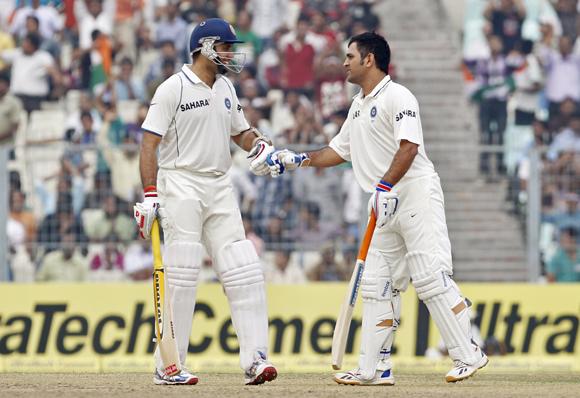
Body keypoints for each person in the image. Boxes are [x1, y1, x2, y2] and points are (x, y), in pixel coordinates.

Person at [263, 32, 488, 385]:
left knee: (429, 277)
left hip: (414, 192)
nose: (344, 62)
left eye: (350, 55)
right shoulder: (358, 104)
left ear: (369, 59)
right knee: (377, 285)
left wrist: (385, 186)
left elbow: (409, 147)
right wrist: (298, 159)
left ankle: (468, 353)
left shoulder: (399, 96)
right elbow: (338, 151)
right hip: (383, 204)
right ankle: (374, 368)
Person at [133, 18, 277, 386]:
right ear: (206, 47)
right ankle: (168, 364)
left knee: (243, 266)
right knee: (182, 271)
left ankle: (256, 360)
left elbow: (240, 132)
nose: (231, 53)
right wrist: (150, 195)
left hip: (219, 183)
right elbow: (149, 143)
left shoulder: (226, 87)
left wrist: (258, 144)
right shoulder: (172, 89)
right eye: (226, 46)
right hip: (179, 183)